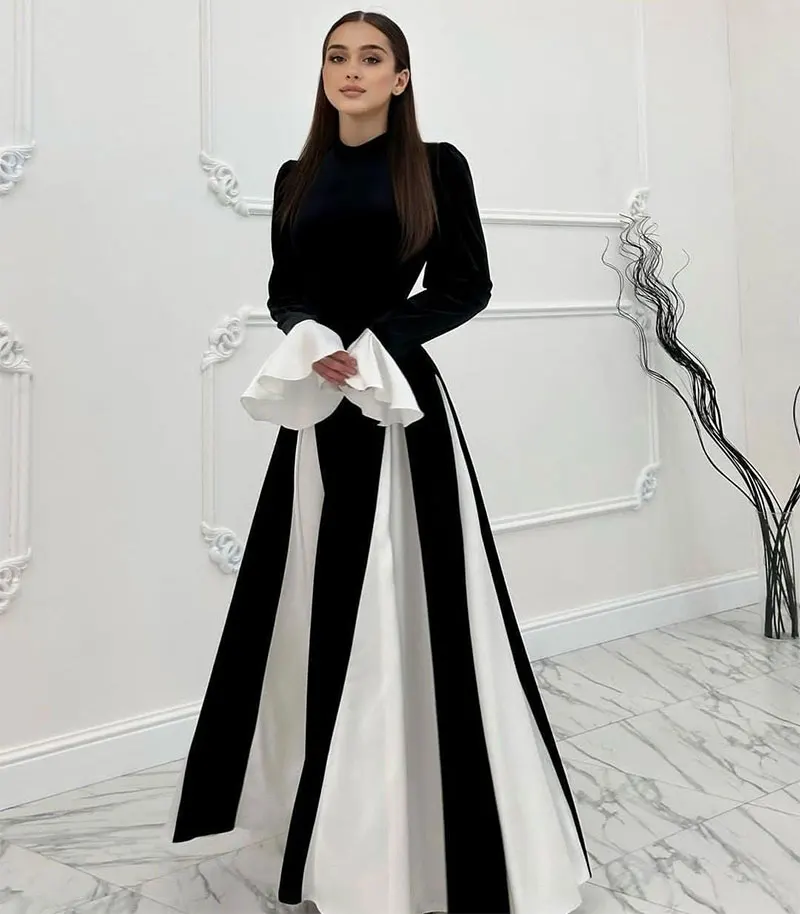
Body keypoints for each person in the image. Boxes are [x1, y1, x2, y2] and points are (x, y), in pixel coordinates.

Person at [166, 10, 592, 914]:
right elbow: (284, 290)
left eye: (371, 58)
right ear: (323, 74)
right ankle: (335, 825)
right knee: (317, 599)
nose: (351, 71)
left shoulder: (437, 166)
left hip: (394, 404)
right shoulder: (296, 177)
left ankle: (422, 834)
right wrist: (309, 336)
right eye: (337, 57)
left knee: (408, 603)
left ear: (400, 78)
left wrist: (377, 340)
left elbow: (467, 285)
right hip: (321, 407)